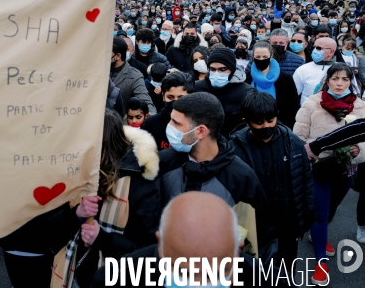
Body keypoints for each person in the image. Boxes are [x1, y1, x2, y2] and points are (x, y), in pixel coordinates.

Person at [155, 92, 275, 261]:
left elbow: (261, 240)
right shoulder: (164, 164)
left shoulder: (241, 178)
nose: (169, 127)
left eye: (176, 123)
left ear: (200, 131)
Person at [51, 108, 160, 288]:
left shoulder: (139, 184)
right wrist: (77, 213)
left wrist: (102, 238)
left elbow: (148, 251)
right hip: (72, 273)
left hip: (115, 278)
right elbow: (51, 232)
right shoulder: (75, 175)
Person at [90, 192, 272, 288]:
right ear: (161, 245)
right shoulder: (117, 279)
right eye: (184, 273)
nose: (198, 284)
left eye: (213, 274)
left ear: (237, 251)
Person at [293, 63, 365, 285]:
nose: (340, 83)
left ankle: (319, 235)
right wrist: (310, 153)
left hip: (346, 169)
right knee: (320, 212)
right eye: (335, 78)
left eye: (345, 79)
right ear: (327, 81)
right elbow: (298, 137)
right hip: (318, 168)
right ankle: (321, 264)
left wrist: (358, 150)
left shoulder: (360, 106)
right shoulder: (312, 103)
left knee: (331, 208)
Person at [230, 93, 314, 268]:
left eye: (270, 120)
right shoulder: (234, 149)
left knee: (285, 273)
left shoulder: (293, 143)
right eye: (259, 122)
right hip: (251, 227)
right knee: (255, 275)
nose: (266, 126)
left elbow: (305, 181)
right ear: (246, 121)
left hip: (287, 225)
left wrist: (306, 217)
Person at [193, 48, 257, 137]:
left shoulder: (246, 92)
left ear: (232, 69)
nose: (216, 73)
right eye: (212, 69)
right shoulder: (196, 88)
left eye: (222, 70)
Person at [246, 41, 300, 128]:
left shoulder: (285, 78)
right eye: (258, 57)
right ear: (253, 57)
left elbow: (293, 106)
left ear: (271, 56)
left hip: (280, 127)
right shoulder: (247, 78)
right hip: (252, 126)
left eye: (265, 56)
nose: (261, 59)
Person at [141, 72, 193, 151]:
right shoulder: (150, 124)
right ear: (163, 96)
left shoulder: (196, 123)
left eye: (181, 98)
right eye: (170, 97)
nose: (175, 102)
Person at [111, 37, 156, 115]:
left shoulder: (134, 76)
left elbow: (145, 100)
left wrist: (151, 117)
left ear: (118, 56)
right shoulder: (98, 71)